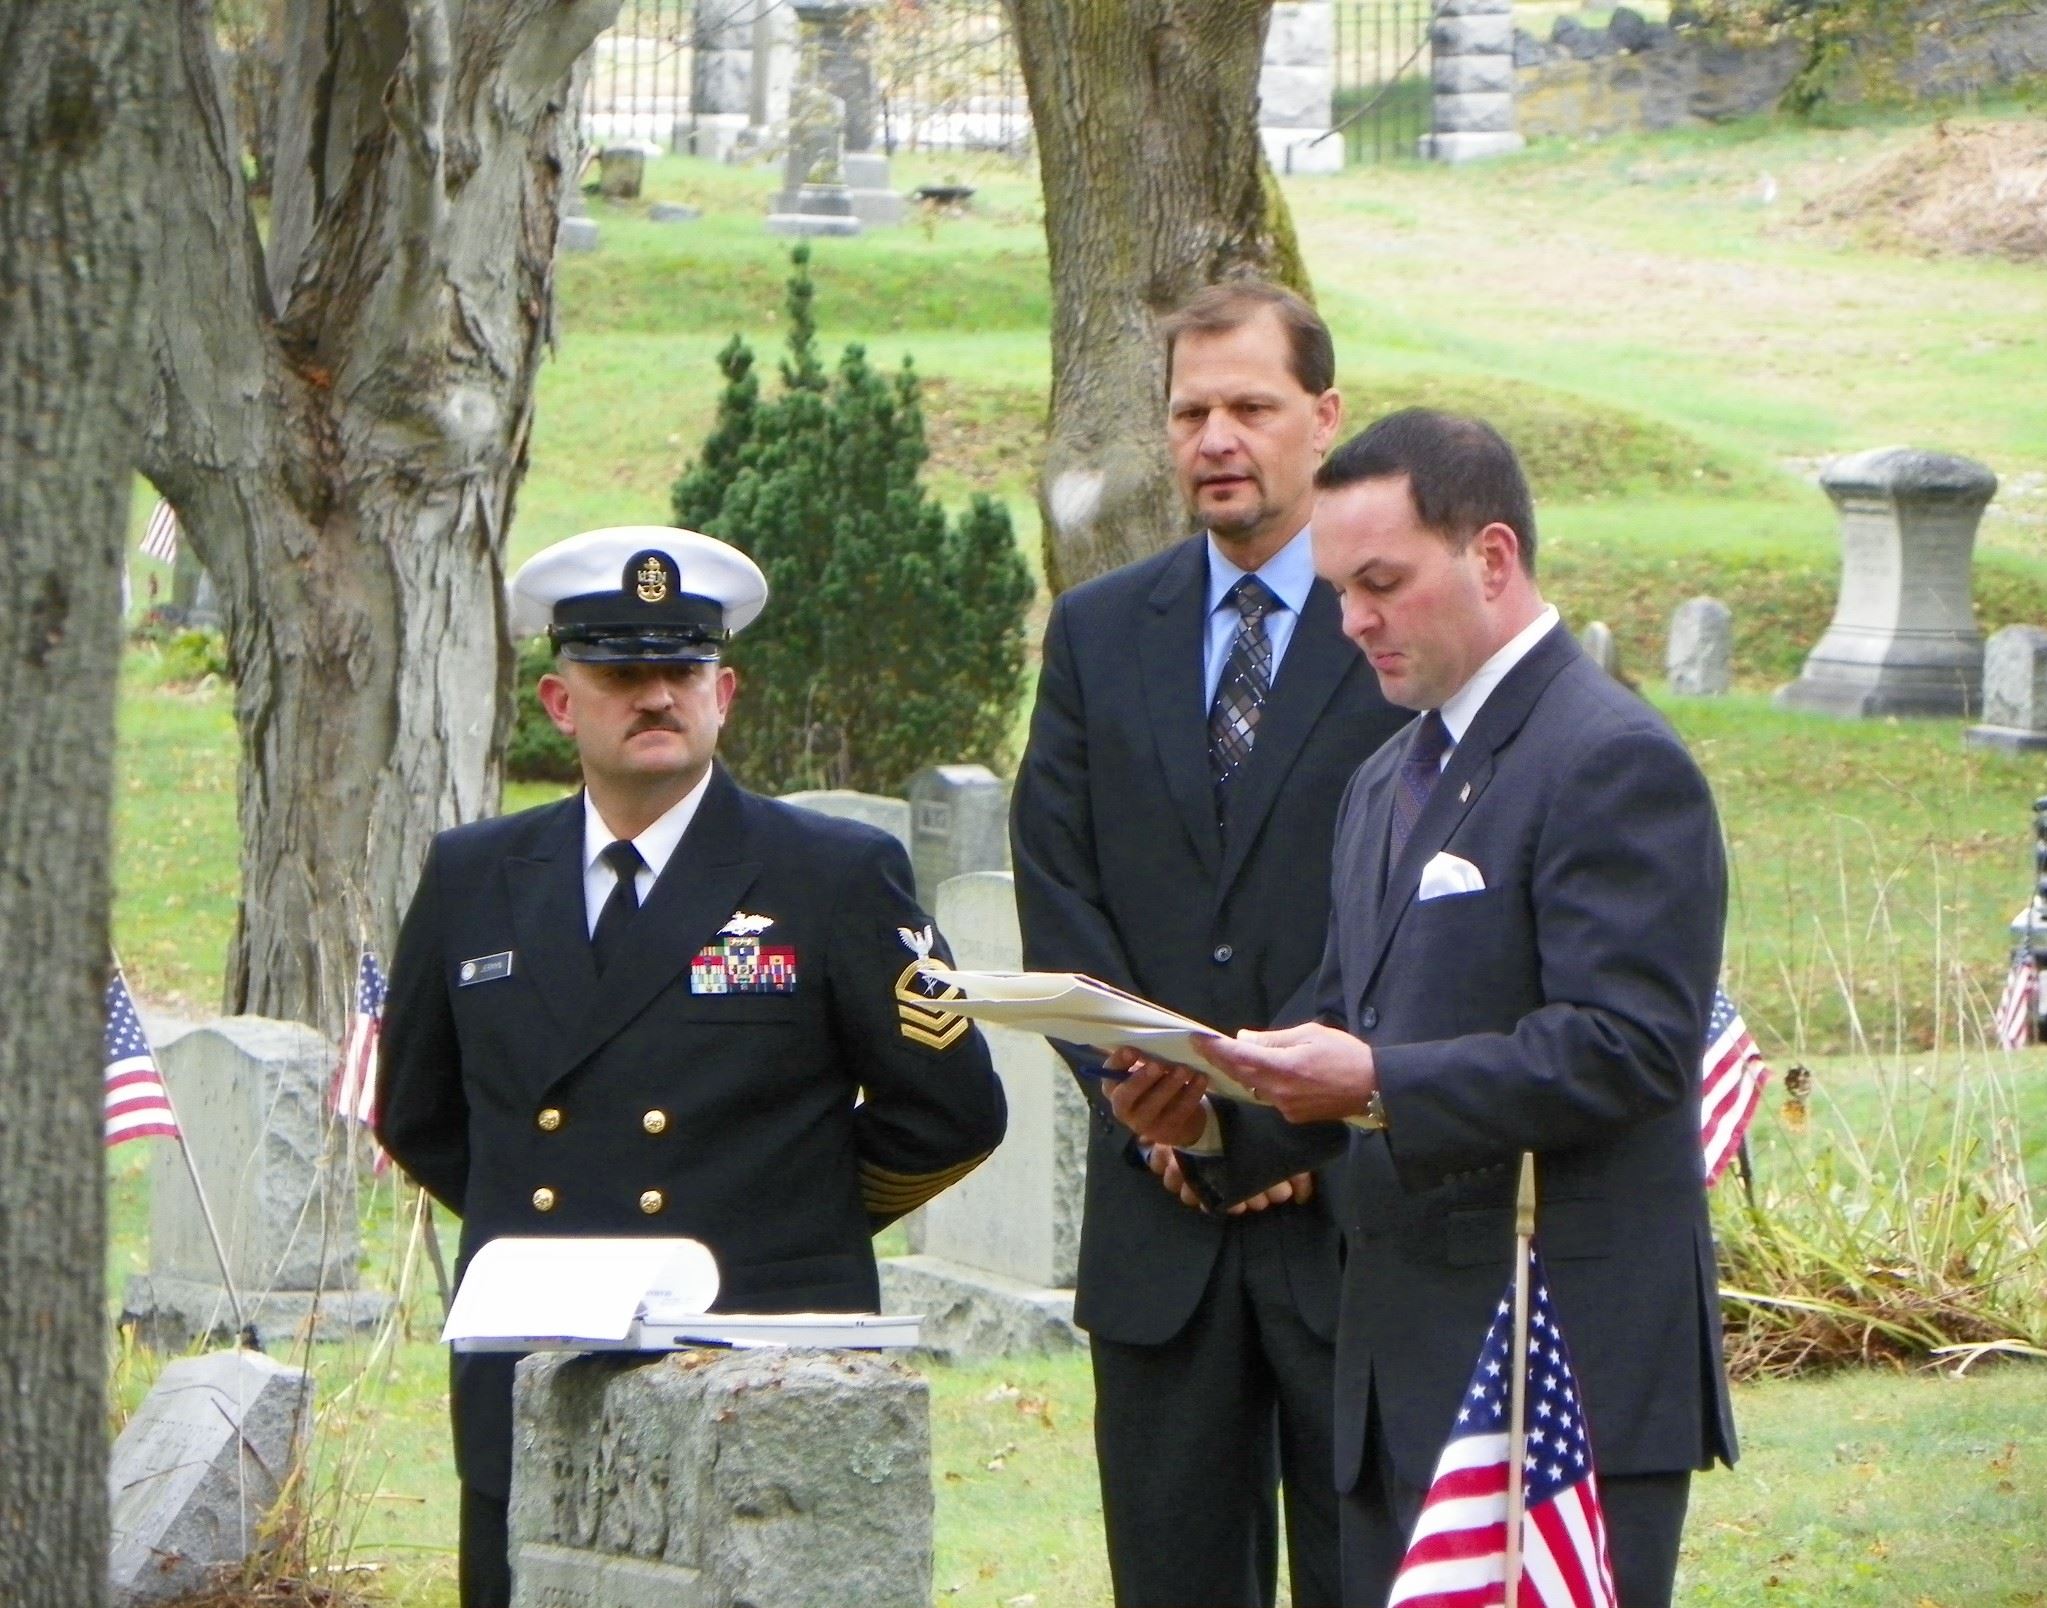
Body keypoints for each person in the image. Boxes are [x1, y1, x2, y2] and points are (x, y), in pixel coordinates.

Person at [1106, 410, 1737, 1608]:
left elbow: (1630, 1048)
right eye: (1339, 589)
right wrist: (1202, 1116)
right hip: (1393, 1370)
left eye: (1381, 584)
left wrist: (1380, 1084)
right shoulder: (1383, 779)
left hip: (1557, 1374)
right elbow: (1344, 1018)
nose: (1351, 623)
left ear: (1490, 557)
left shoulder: (1607, 756)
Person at [378, 526, 1007, 1608]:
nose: (654, 698)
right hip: (536, 1354)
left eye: (678, 672)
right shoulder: (474, 874)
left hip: (756, 1346)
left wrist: (786, 1214)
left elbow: (948, 1106)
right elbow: (419, 1110)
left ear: (726, 691)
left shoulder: (833, 874)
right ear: (558, 703)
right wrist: (544, 1238)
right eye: (621, 674)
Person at [1011, 282, 1410, 1608]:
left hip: (1351, 1219)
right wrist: (1156, 1115)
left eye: (1251, 405)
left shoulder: (1395, 634)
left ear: (1324, 419)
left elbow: (1415, 901)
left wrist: (1281, 1116)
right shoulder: (1100, 631)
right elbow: (1059, 889)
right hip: (1159, 1224)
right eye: (1191, 411)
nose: (1216, 437)